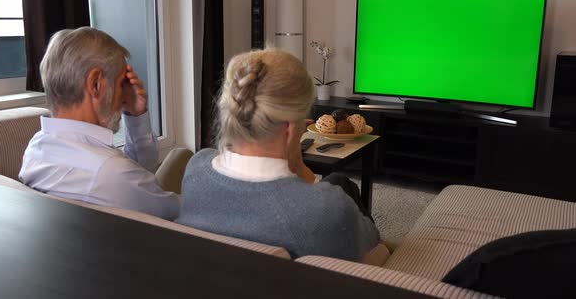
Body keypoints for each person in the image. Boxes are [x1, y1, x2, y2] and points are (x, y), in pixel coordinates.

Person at [176, 49, 380, 261]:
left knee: (339, 182)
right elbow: (369, 242)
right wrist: (304, 175)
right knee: (342, 187)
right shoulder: (326, 209)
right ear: (290, 130)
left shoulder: (196, 169)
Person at [19, 27, 180, 220]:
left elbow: (138, 172)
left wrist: (135, 114)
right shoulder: (111, 173)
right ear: (96, 84)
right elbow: (182, 214)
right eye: (122, 83)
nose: (126, 93)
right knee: (190, 159)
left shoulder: (36, 147)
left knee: (180, 157)